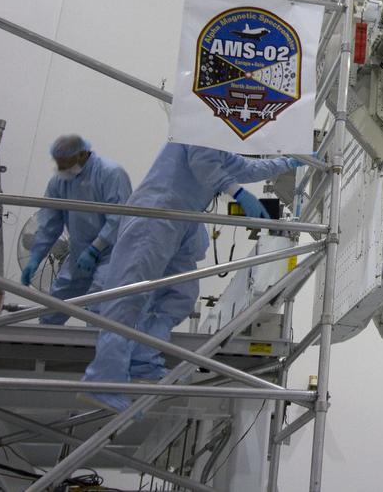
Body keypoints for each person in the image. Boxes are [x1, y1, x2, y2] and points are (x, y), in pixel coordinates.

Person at [82, 142, 302, 412]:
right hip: (157, 213)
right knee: (129, 297)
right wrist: (238, 192)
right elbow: (203, 163)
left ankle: (144, 360)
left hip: (182, 222)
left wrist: (290, 162)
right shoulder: (202, 127)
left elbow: (246, 167)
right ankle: (104, 380)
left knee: (181, 295)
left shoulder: (219, 141)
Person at [22, 135, 131, 324]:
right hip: (78, 253)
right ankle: (41, 350)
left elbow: (119, 218)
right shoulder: (60, 182)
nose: (62, 168)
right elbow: (50, 223)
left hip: (111, 255)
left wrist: (96, 248)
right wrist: (35, 257)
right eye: (59, 164)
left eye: (65, 163)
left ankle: (95, 351)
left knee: (99, 309)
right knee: (53, 307)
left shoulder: (110, 173)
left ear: (81, 154)